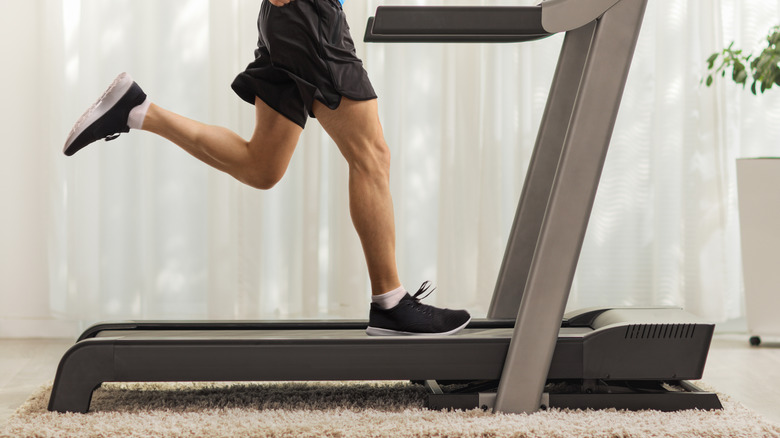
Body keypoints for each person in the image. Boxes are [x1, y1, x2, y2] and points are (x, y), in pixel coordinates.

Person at [62, 0, 471, 336]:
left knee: (262, 167)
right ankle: (392, 303)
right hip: (309, 15)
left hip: (292, 20)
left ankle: (136, 110)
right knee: (372, 156)